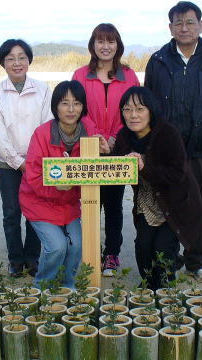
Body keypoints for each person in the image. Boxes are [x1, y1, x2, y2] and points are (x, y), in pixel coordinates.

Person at [144, 1, 202, 283]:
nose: (184, 27)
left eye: (190, 22)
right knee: (168, 201)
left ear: (200, 25)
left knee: (201, 205)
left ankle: (197, 261)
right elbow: (149, 103)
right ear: (170, 27)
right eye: (178, 23)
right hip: (169, 149)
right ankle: (171, 257)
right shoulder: (158, 60)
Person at [100, 86, 202, 290]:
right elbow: (118, 165)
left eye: (140, 109)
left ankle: (164, 290)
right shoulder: (125, 136)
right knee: (143, 247)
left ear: (151, 110)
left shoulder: (167, 133)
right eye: (127, 109)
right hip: (146, 204)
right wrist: (107, 153)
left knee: (163, 248)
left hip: (173, 204)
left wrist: (144, 166)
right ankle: (149, 285)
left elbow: (177, 174)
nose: (133, 115)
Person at [72, 23, 140, 277]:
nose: (105, 46)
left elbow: (135, 109)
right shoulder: (80, 75)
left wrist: (115, 138)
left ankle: (111, 254)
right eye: (100, 41)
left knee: (113, 204)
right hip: (88, 147)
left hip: (119, 147)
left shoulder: (129, 75)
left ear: (118, 45)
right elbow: (76, 109)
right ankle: (89, 253)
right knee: (90, 202)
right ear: (92, 45)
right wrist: (96, 136)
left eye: (110, 41)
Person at [19, 80, 100, 289]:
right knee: (56, 247)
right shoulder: (42, 133)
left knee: (76, 246)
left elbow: (92, 170)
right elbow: (34, 176)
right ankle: (43, 287)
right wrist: (56, 187)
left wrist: (104, 146)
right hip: (39, 202)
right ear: (56, 106)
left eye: (77, 103)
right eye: (65, 103)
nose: (71, 109)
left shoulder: (89, 129)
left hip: (69, 204)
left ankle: (67, 285)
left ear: (84, 106)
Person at [0, 39, 52, 278]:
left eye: (22, 57)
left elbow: (47, 127)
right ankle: (15, 260)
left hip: (37, 162)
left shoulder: (43, 90)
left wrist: (32, 161)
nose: (17, 63)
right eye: (11, 58)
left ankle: (33, 258)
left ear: (29, 60)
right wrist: (18, 161)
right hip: (7, 163)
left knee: (35, 211)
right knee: (12, 212)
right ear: (3, 62)